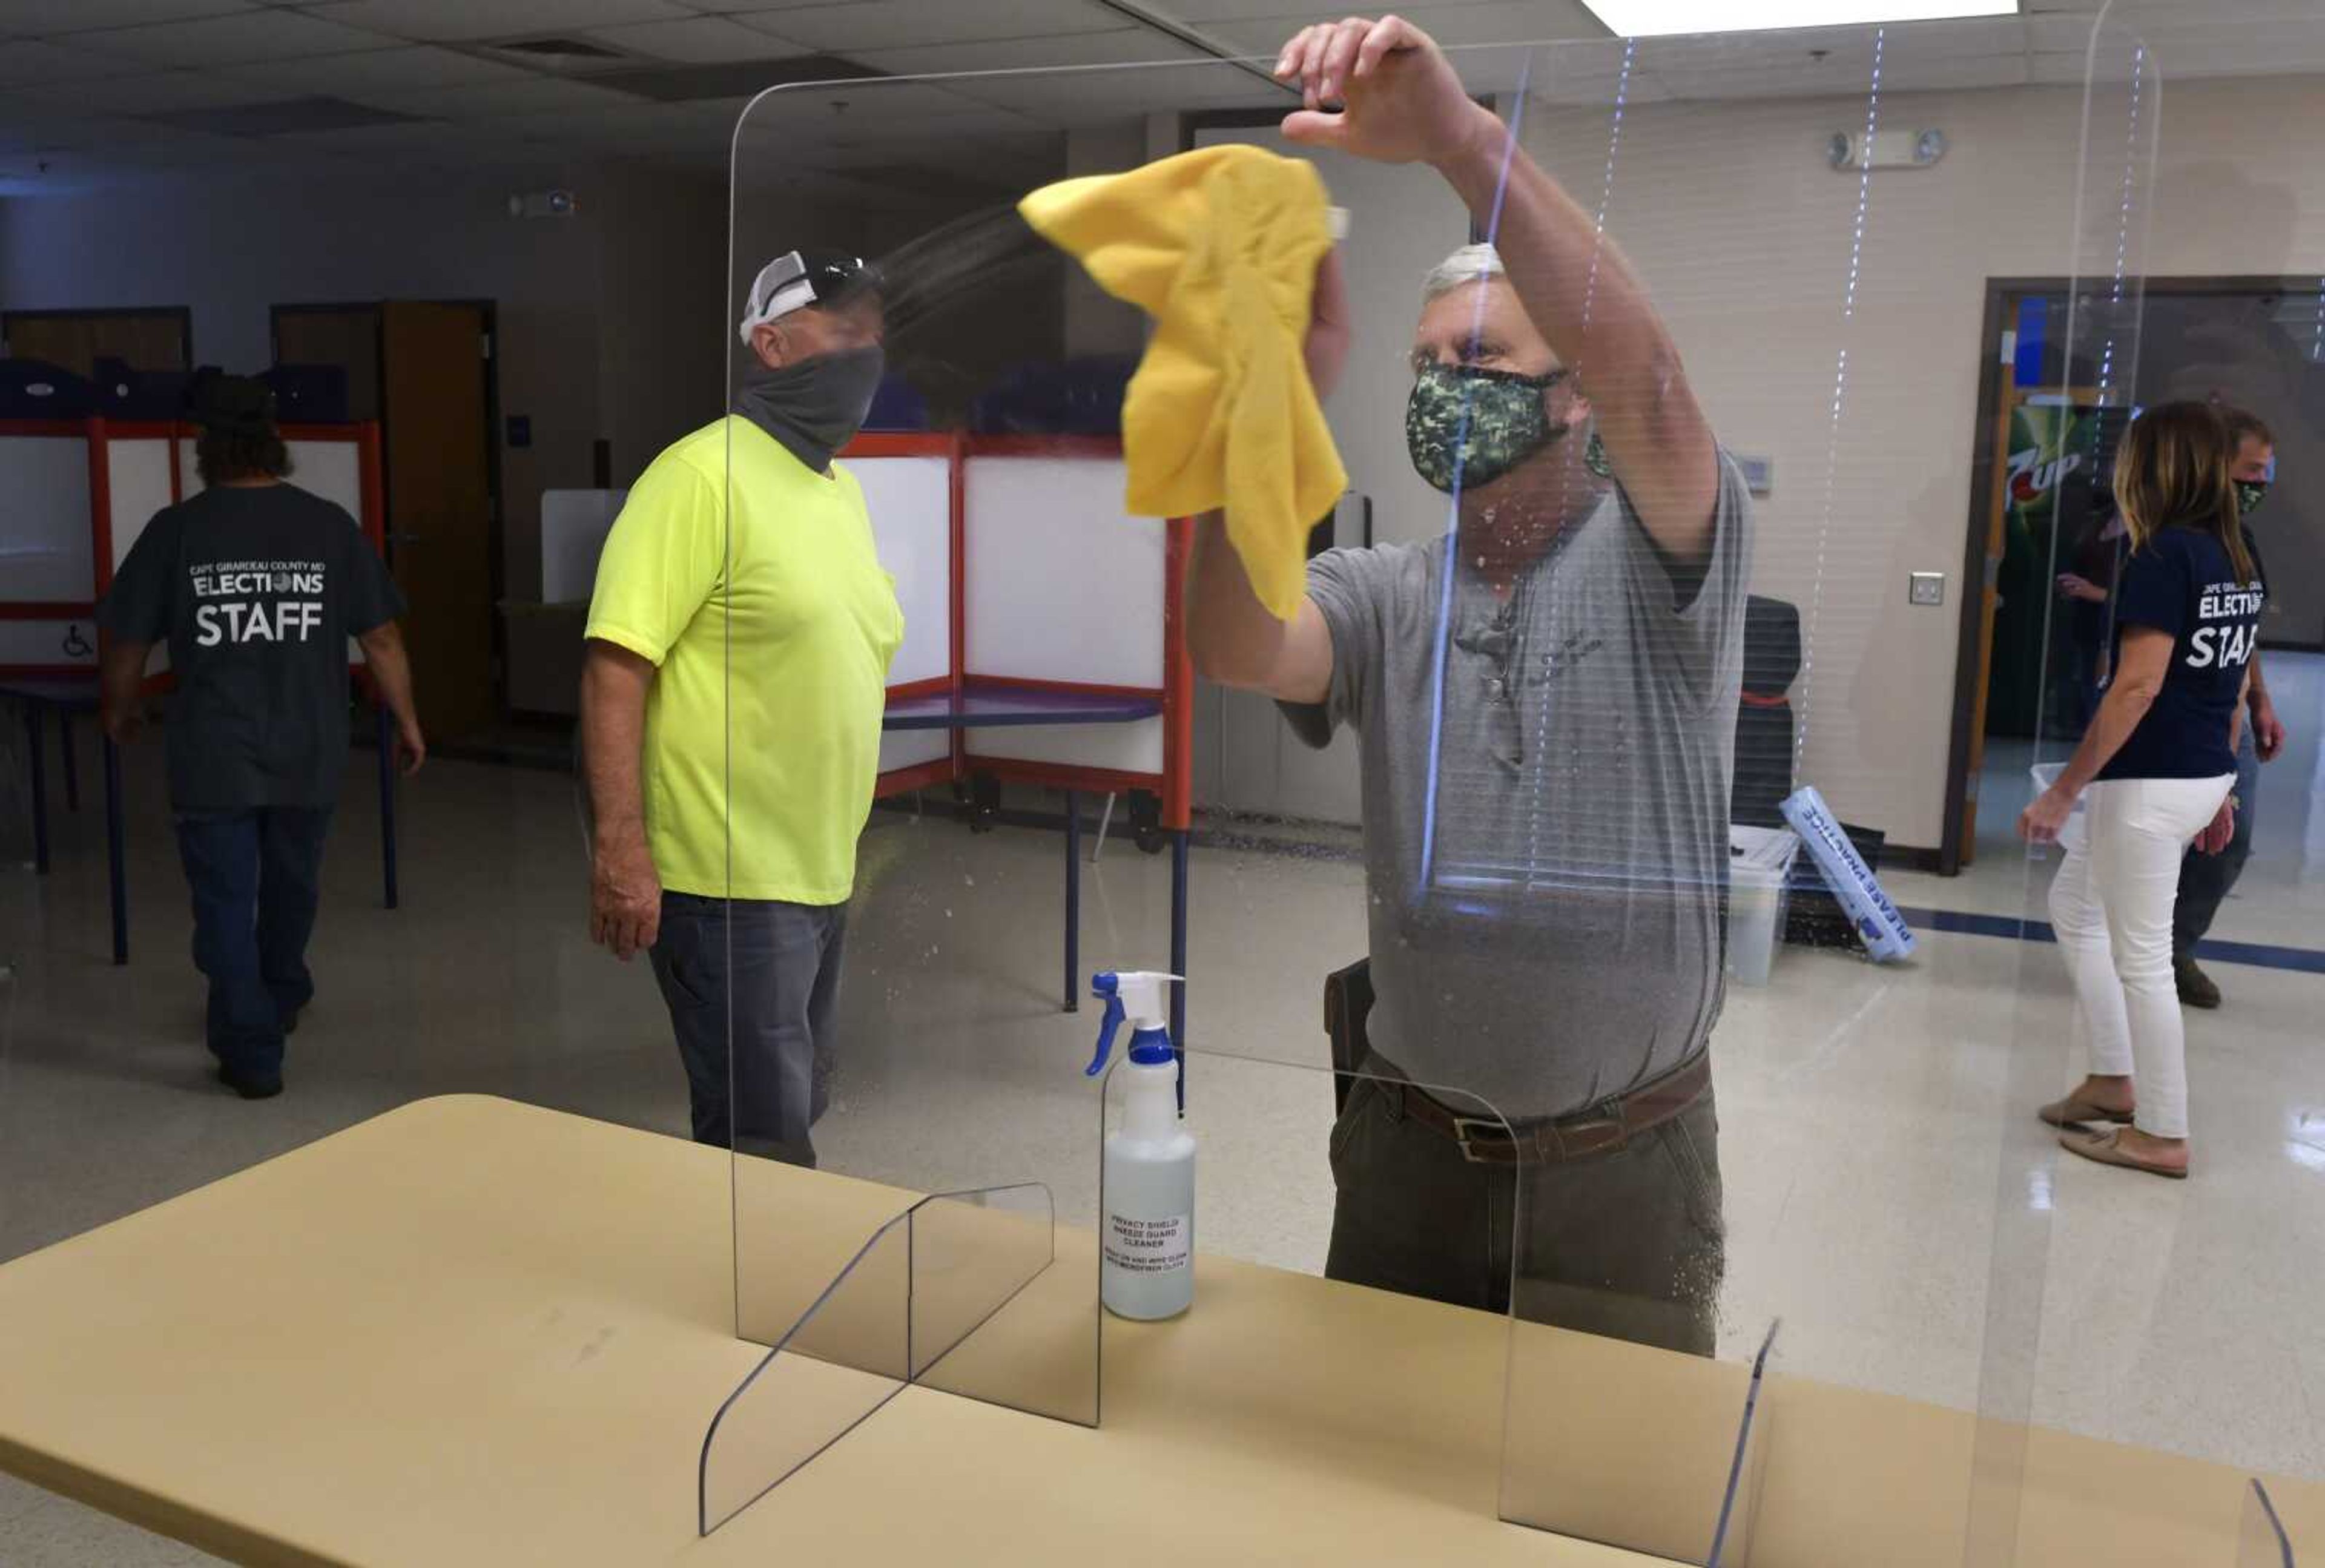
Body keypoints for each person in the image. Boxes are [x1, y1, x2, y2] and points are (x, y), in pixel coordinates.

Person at [1189, 16, 1750, 1354]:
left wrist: (1460, 140)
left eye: (1482, 363)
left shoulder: (1660, 559)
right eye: (1427, 364)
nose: (1444, 389)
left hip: (1624, 1165)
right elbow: (1236, 642)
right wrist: (1264, 402)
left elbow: (1656, 386)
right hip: (1411, 1154)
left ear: (1571, 400)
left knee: (1609, 1500)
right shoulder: (1391, 591)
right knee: (1375, 1475)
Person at [582, 248, 902, 1167]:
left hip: (820, 868)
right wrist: (620, 848)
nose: (865, 350)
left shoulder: (839, 492)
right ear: (769, 343)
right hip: (728, 877)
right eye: (842, 329)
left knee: (794, 1106)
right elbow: (615, 665)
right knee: (760, 1139)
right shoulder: (698, 476)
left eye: (872, 333)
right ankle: (768, 1306)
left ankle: (775, 1283)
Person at [97, 374, 424, 1100]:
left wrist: (118, 709)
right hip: (309, 748)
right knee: (292, 886)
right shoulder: (328, 525)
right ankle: (274, 997)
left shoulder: (176, 531)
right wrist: (405, 719)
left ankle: (252, 1043)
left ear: (204, 449)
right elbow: (381, 634)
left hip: (213, 752)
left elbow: (125, 641)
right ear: (276, 445)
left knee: (222, 896)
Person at [2022, 401, 2266, 1179]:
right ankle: (2113, 1077)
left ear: (2154, 468)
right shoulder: (2236, 553)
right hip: (2195, 774)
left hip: (2151, 779)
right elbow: (2226, 685)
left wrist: (2064, 791)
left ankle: (2161, 1130)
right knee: (2074, 906)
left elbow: (2135, 690)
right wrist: (2220, 789)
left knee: (2143, 960)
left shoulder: (2164, 557)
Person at [2170, 407, 2287, 1008]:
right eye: (2250, 472)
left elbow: (2243, 632)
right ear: (2216, 469)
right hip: (2177, 713)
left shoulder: (2243, 542)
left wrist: (2261, 699)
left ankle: (2175, 947)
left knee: (2230, 839)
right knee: (2164, 838)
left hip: (2233, 713)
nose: (2259, 486)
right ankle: (2134, 950)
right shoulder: (2172, 543)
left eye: (2266, 473)